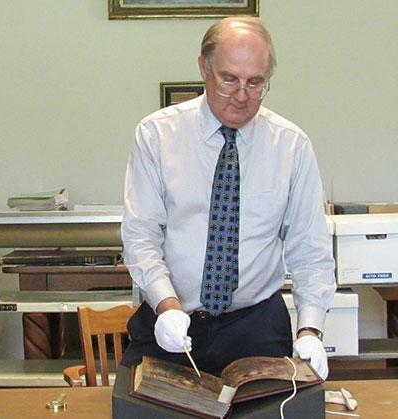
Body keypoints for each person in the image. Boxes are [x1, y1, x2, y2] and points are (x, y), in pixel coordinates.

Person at [121, 16, 336, 380]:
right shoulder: (157, 135)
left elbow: (310, 248)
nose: (241, 96)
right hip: (171, 320)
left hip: (255, 328)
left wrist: (310, 330)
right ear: (204, 68)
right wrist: (167, 306)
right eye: (229, 80)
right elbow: (141, 235)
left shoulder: (291, 145)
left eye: (255, 83)